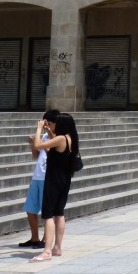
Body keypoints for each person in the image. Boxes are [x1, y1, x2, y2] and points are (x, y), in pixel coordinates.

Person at [29, 113, 79, 263]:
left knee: (48, 214)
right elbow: (54, 148)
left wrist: (39, 129)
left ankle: (47, 251)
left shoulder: (60, 139)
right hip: (65, 180)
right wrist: (49, 131)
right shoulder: (70, 139)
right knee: (59, 212)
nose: (53, 125)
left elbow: (38, 146)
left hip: (53, 180)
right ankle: (57, 247)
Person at [19, 109, 58, 248]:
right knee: (30, 208)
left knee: (47, 211)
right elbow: (36, 154)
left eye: (48, 122)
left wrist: (41, 131)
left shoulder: (58, 137)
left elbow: (51, 148)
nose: (45, 124)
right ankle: (34, 237)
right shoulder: (45, 137)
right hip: (37, 176)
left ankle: (46, 239)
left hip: (48, 178)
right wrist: (32, 143)